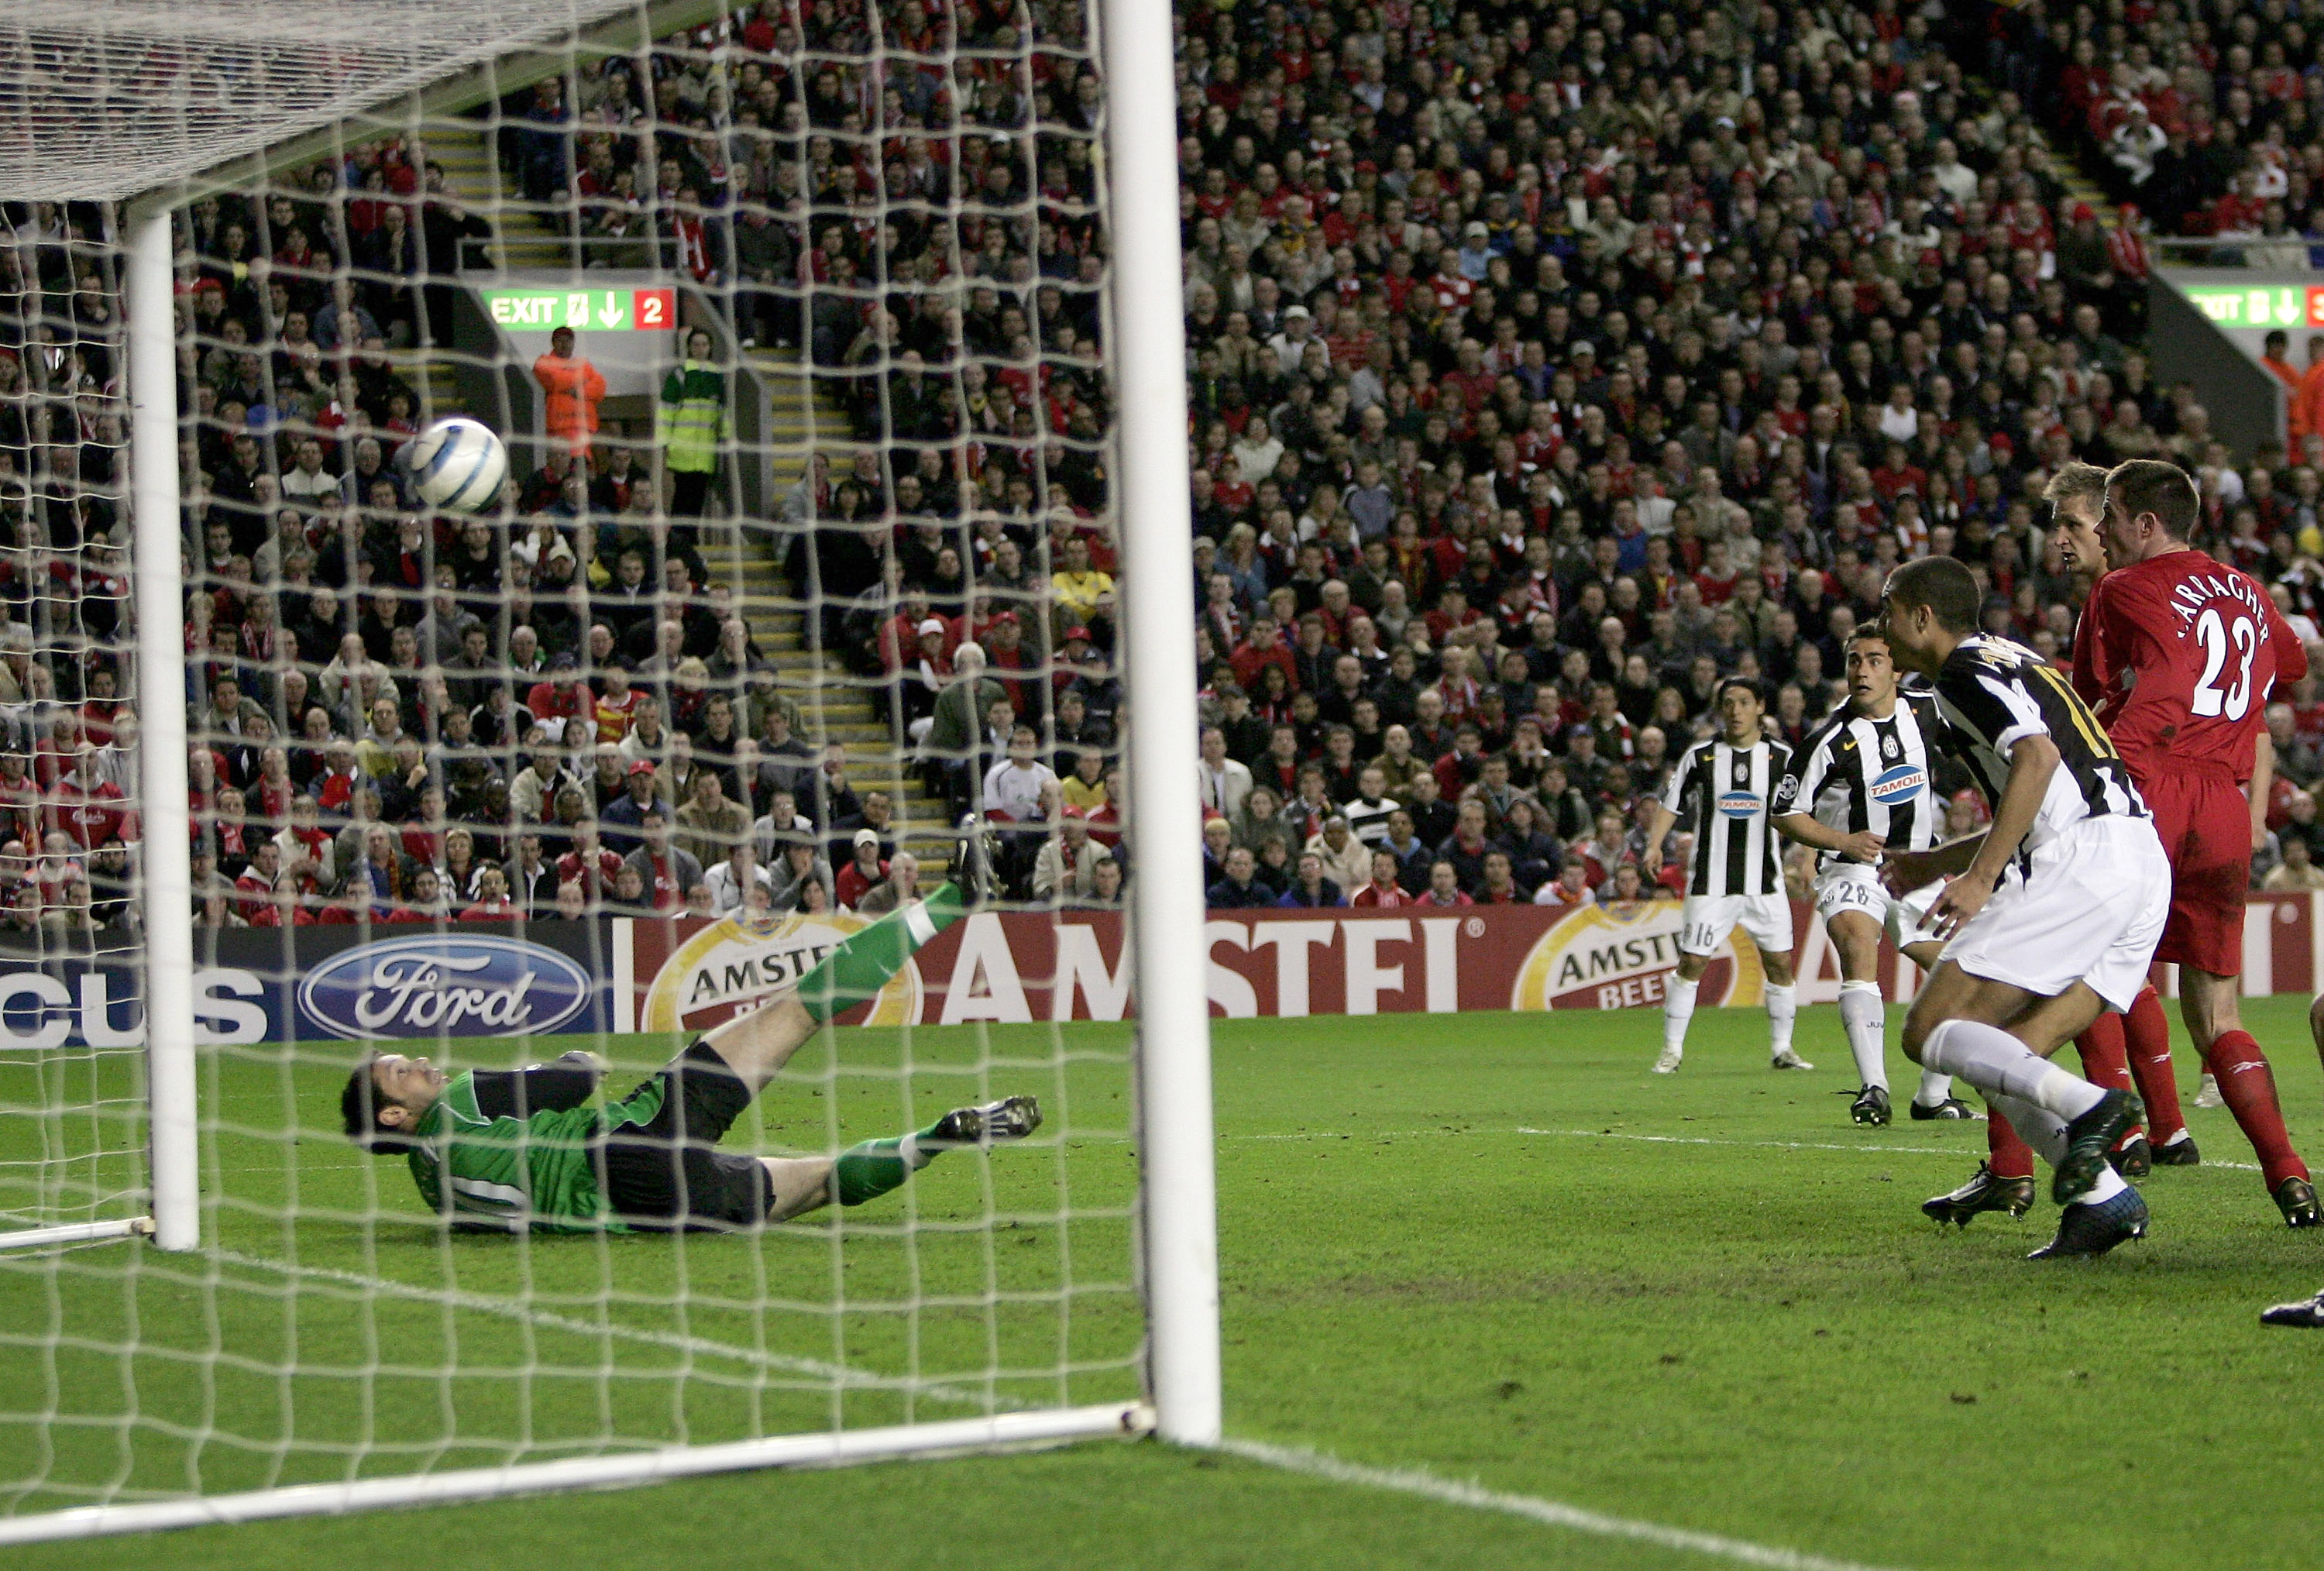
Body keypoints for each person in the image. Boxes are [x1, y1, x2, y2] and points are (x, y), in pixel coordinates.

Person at [341, 884, 1040, 1231]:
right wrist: (579, 1060)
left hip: (644, 1215)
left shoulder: (435, 1195)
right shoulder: (461, 1101)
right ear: (397, 1115)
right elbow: (570, 1084)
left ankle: (935, 1139)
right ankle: (953, 900)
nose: (425, 1065)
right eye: (402, 1072)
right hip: (624, 1144)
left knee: (821, 1184)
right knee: (795, 1008)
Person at [1875, 555, 2167, 1259]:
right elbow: (2047, 780)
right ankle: (2101, 1202)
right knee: (2009, 1053)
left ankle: (2094, 1107)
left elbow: (2034, 760)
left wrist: (1979, 877)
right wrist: (1933, 861)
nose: (1882, 625)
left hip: (2084, 862)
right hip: (2139, 861)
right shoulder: (2013, 657)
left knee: (1930, 1031)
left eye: (1889, 609)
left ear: (1922, 616)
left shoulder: (1960, 672)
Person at [2073, 459, 2317, 1232]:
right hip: (2226, 804)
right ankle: (2290, 1175)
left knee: (2086, 965)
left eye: (2110, 516)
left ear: (2146, 524)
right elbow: (2296, 662)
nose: (2104, 530)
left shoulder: (2120, 589)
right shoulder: (2243, 587)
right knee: (2216, 1010)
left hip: (2152, 783)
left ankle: (2114, 1149)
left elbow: (2094, 690)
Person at [2043, 461, 2186, 1173]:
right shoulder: (2115, 598)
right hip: (2167, 789)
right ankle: (2168, 1126)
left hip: (2135, 792)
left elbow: (2118, 708)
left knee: (2082, 958)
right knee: (2128, 966)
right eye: (2059, 524)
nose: (2066, 537)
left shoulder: (2122, 596)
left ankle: (2124, 1127)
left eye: (2076, 522)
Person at [1771, 627, 1971, 1125]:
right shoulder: (1828, 741)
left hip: (1919, 869)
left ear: (1897, 668)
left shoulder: (1927, 711)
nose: (1862, 670)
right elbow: (1784, 812)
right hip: (1851, 869)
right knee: (1859, 946)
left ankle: (1933, 1096)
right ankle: (1874, 1088)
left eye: (1875, 660)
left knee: (1960, 972)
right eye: (1854, 660)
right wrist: (1843, 841)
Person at [1642, 678, 1806, 1075]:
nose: (1736, 711)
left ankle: (1783, 1049)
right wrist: (1653, 845)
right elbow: (1672, 802)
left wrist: (1809, 858)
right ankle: (1671, 1050)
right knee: (1693, 962)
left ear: (1760, 707)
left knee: (1780, 964)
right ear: (1720, 710)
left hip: (1765, 882)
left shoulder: (1782, 757)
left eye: (1744, 702)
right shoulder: (1701, 756)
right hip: (1711, 883)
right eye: (1728, 703)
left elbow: (1803, 811)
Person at [658, 327, 729, 518]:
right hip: (682, 448)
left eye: (704, 345)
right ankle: (680, 537)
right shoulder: (680, 375)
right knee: (682, 496)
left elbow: (724, 412)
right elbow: (666, 411)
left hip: (706, 451)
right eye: (696, 345)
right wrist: (664, 442)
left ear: (710, 348)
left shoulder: (718, 377)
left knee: (698, 498)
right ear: (689, 347)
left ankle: (690, 538)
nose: (700, 349)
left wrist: (725, 437)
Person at [534, 325, 607, 461]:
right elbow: (555, 380)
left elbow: (600, 387)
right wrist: (583, 380)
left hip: (584, 429)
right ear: (553, 343)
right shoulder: (544, 362)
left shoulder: (583, 364)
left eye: (568, 341)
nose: (564, 345)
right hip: (558, 429)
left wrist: (580, 391)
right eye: (560, 341)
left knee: (583, 469)